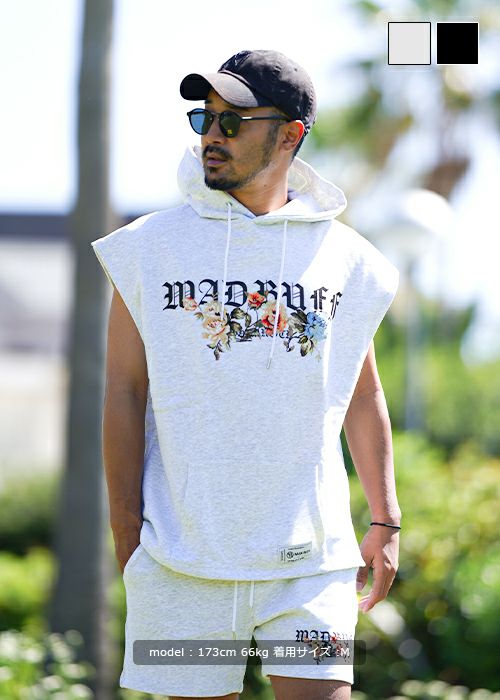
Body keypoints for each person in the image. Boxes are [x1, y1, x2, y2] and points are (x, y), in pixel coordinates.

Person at [91, 49, 402, 700]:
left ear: (290, 135)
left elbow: (362, 392)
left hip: (310, 568)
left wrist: (385, 519)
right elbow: (124, 392)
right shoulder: (148, 247)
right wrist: (128, 535)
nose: (212, 135)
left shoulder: (347, 260)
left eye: (232, 122)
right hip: (183, 565)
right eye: (204, 119)